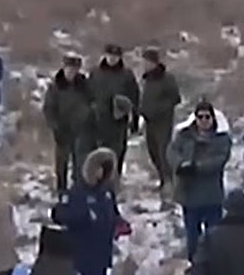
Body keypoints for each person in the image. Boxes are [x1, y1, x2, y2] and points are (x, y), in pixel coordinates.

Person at [54, 147, 125, 275]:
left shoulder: (106, 193)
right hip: (85, 250)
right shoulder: (78, 193)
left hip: (102, 249)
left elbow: (111, 214)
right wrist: (84, 218)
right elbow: (60, 215)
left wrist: (118, 223)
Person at [167, 101, 233, 262]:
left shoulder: (221, 138)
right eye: (200, 117)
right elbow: (171, 151)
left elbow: (219, 160)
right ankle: (195, 266)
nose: (204, 120)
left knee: (214, 237)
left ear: (213, 118)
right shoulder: (184, 135)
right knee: (192, 237)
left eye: (207, 117)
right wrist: (180, 164)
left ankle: (216, 266)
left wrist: (197, 167)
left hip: (211, 195)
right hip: (188, 194)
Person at [89, 44, 141, 191]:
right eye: (110, 56)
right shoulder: (96, 73)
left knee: (117, 153)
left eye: (116, 57)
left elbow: (135, 97)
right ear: (105, 55)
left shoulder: (127, 75)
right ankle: (98, 183)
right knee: (98, 154)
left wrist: (134, 119)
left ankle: (114, 184)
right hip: (98, 121)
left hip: (118, 122)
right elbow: (87, 95)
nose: (112, 59)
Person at [41, 55, 94, 195]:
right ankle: (61, 190)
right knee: (61, 163)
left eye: (74, 69)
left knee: (80, 163)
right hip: (62, 130)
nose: (71, 72)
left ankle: (79, 190)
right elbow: (48, 109)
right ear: (64, 68)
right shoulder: (56, 86)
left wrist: (88, 118)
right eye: (69, 69)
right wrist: (55, 127)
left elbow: (92, 103)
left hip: (81, 129)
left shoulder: (84, 85)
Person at [138, 46, 183, 196]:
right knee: (153, 152)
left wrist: (159, 109)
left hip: (163, 121)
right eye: (144, 61)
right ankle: (163, 179)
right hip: (149, 121)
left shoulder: (167, 78)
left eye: (148, 61)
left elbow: (175, 98)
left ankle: (169, 182)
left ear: (155, 62)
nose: (145, 64)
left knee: (164, 152)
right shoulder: (147, 79)